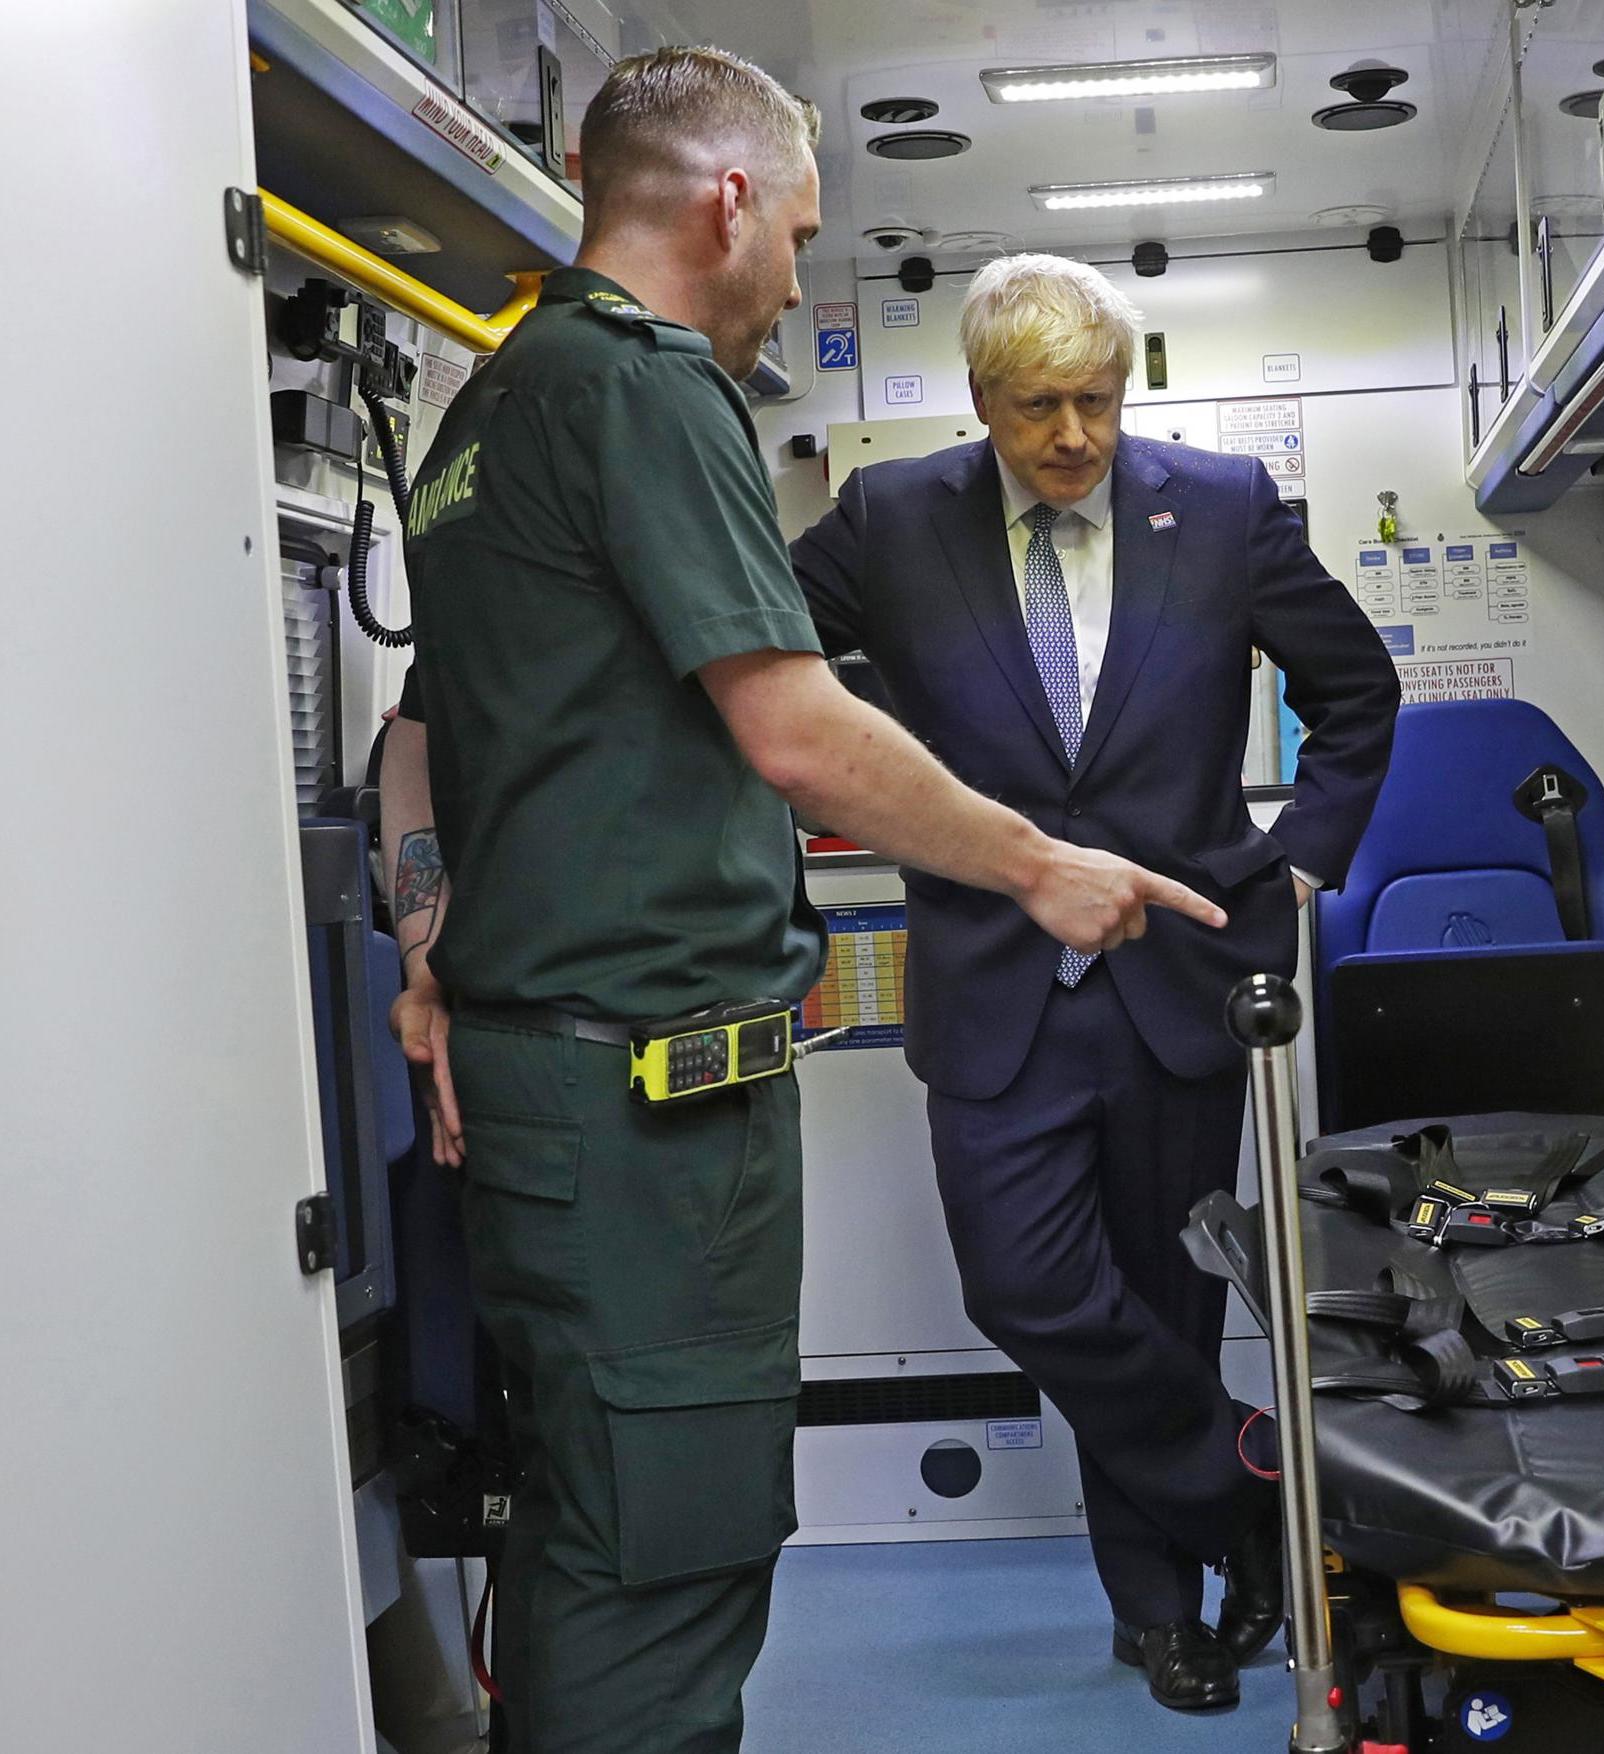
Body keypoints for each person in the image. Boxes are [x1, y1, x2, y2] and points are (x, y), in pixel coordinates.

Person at [380, 52, 1222, 1754]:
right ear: (727, 202)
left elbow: (414, 739)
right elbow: (796, 728)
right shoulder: (646, 386)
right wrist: (1042, 864)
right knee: (669, 1559)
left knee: (590, 1526)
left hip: (543, 1077)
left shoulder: (490, 403)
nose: (794, 279)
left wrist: (427, 964)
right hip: (645, 1105)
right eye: (798, 234)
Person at [790, 254, 1400, 1712]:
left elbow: (1354, 694)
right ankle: (1250, 1485)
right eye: (1035, 405)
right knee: (1028, 1287)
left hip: (1177, 976)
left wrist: (1299, 865)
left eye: (1098, 399)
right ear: (980, 398)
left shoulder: (1228, 507)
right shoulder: (887, 517)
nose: (1072, 433)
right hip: (994, 984)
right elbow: (762, 670)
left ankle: (1161, 1613)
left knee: (1160, 1302)